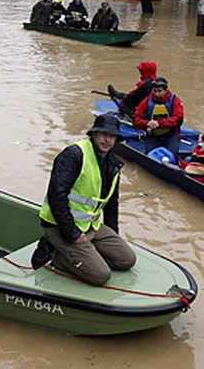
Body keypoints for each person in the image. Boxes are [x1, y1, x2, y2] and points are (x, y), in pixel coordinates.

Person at [29, 114, 136, 285]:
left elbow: (111, 205)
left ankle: (87, 253)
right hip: (60, 227)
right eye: (103, 134)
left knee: (126, 260)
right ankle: (53, 254)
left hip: (90, 227)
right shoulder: (74, 155)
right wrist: (72, 232)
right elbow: (57, 196)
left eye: (112, 136)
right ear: (93, 134)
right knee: (101, 275)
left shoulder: (113, 164)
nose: (107, 139)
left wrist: (114, 237)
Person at [132, 77, 184, 156]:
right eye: (154, 91)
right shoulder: (146, 101)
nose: (156, 94)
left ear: (166, 90)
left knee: (172, 156)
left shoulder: (175, 101)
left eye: (160, 91)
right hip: (153, 136)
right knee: (150, 156)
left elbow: (178, 120)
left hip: (171, 136)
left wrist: (159, 124)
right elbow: (135, 119)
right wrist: (147, 123)